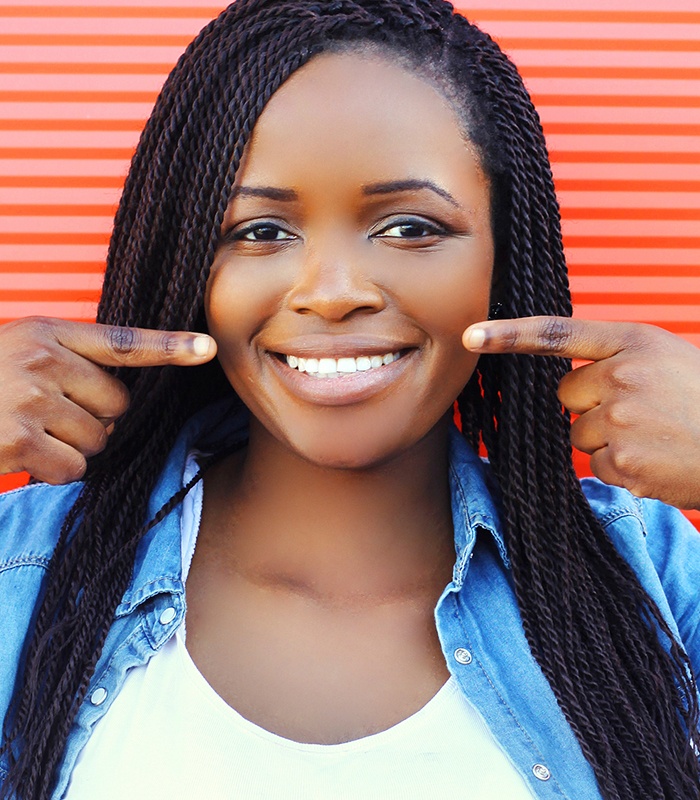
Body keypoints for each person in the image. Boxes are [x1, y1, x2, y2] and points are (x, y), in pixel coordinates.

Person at [1, 1, 699, 798]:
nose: (332, 294)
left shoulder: (652, 571)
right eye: (260, 232)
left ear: (503, 256)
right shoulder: (24, 574)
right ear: (190, 261)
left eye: (408, 227)